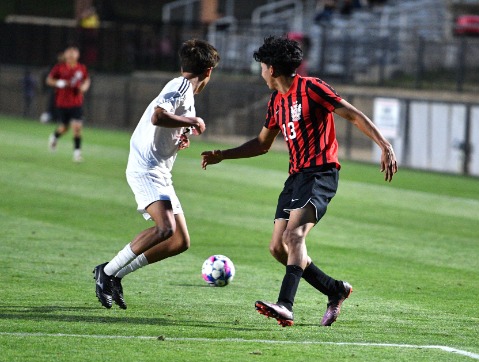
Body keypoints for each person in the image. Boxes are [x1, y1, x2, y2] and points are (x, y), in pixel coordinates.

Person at [201, 35, 397, 327]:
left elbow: (354, 115)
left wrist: (384, 145)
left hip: (320, 174)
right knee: (277, 248)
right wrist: (223, 155)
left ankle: (285, 305)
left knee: (294, 237)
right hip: (296, 177)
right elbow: (262, 144)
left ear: (272, 69)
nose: (261, 72)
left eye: (262, 67)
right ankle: (334, 289)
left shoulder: (312, 88)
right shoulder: (276, 101)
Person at [93, 39, 220, 310]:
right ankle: (106, 272)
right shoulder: (180, 86)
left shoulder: (185, 93)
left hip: (161, 171)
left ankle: (116, 275)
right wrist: (192, 121)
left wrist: (180, 137)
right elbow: (158, 116)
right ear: (208, 71)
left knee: (180, 241)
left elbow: (165, 124)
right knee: (165, 228)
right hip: (146, 168)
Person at [46, 46, 91, 162]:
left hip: (76, 102)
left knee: (77, 127)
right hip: (62, 103)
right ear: (65, 55)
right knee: (64, 127)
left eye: (73, 53)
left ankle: (77, 154)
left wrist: (84, 87)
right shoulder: (59, 68)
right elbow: (49, 80)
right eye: (69, 53)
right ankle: (54, 137)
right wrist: (58, 82)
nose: (71, 56)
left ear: (77, 55)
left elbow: (86, 80)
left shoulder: (81, 68)